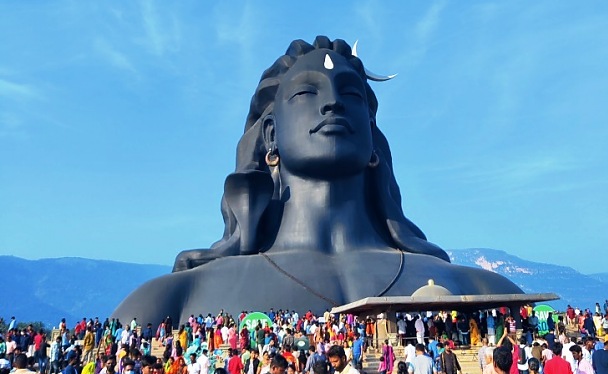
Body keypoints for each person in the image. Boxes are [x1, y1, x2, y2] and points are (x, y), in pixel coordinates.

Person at [114, 37, 526, 322]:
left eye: (349, 93)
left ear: (370, 128)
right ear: (271, 135)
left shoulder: (479, 288)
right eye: (307, 93)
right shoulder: (169, 300)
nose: (331, 103)